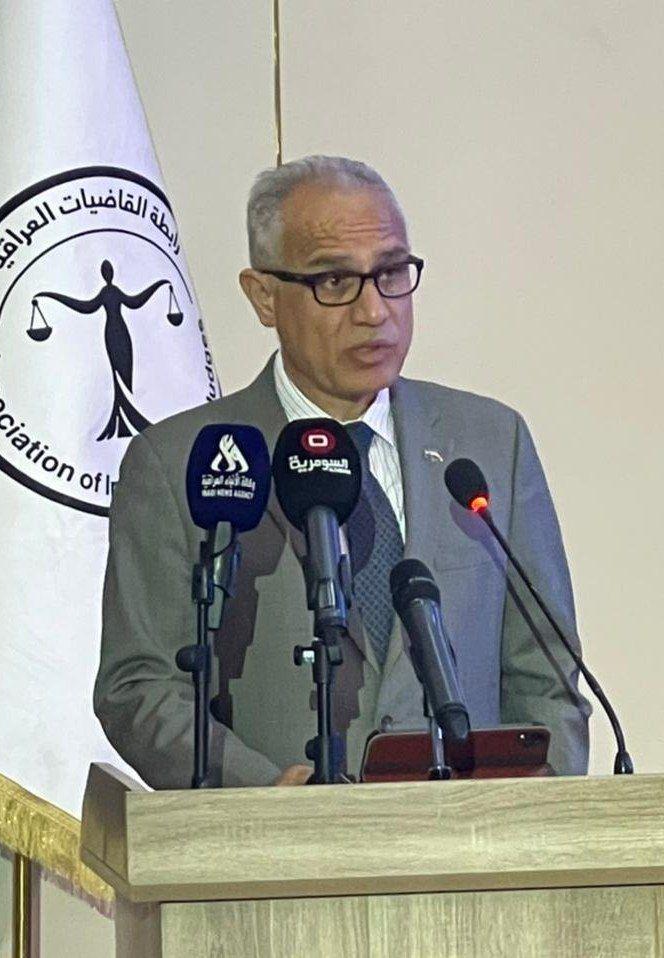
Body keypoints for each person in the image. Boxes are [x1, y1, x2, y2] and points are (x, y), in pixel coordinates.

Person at [95, 155, 590, 788]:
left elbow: (545, 677)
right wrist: (263, 794)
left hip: (470, 842)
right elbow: (140, 685)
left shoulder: (490, 443)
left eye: (391, 273)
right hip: (275, 845)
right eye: (335, 281)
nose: (374, 311)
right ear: (264, 296)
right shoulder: (181, 462)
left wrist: (536, 811)